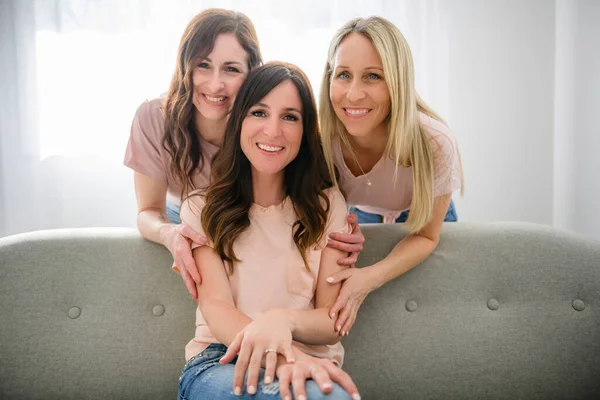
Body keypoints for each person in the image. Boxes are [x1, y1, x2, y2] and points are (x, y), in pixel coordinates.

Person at [124, 9, 363, 300]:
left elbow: (309, 194)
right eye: (203, 65)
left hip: (252, 217)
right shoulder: (154, 117)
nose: (215, 85)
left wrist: (339, 234)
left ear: (252, 73)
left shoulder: (261, 127)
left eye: (231, 69)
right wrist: (169, 233)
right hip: (184, 218)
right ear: (185, 66)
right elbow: (148, 211)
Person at [177, 62, 361, 400]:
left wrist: (283, 321)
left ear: (306, 131)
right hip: (222, 359)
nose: (273, 131)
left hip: (309, 364)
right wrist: (286, 358)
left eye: (290, 117)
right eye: (259, 113)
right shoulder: (200, 207)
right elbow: (217, 309)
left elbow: (332, 322)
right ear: (239, 122)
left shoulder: (327, 205)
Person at [319, 17, 464, 337]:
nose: (353, 95)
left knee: (430, 315)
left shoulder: (434, 142)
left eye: (373, 76)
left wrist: (367, 279)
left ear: (397, 81)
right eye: (343, 75)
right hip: (359, 214)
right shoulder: (319, 140)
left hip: (422, 214)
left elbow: (427, 236)